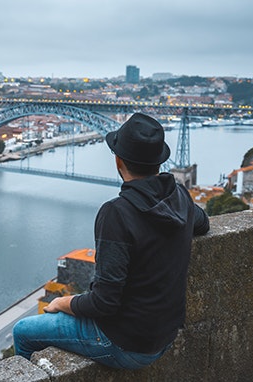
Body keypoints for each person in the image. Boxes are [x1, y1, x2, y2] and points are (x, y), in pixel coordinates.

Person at [12, 112, 210, 369]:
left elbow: (104, 302)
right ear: (159, 161)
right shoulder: (180, 196)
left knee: (23, 331)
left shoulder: (117, 212)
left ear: (118, 161)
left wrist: (62, 302)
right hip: (164, 334)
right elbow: (203, 224)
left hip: (126, 343)